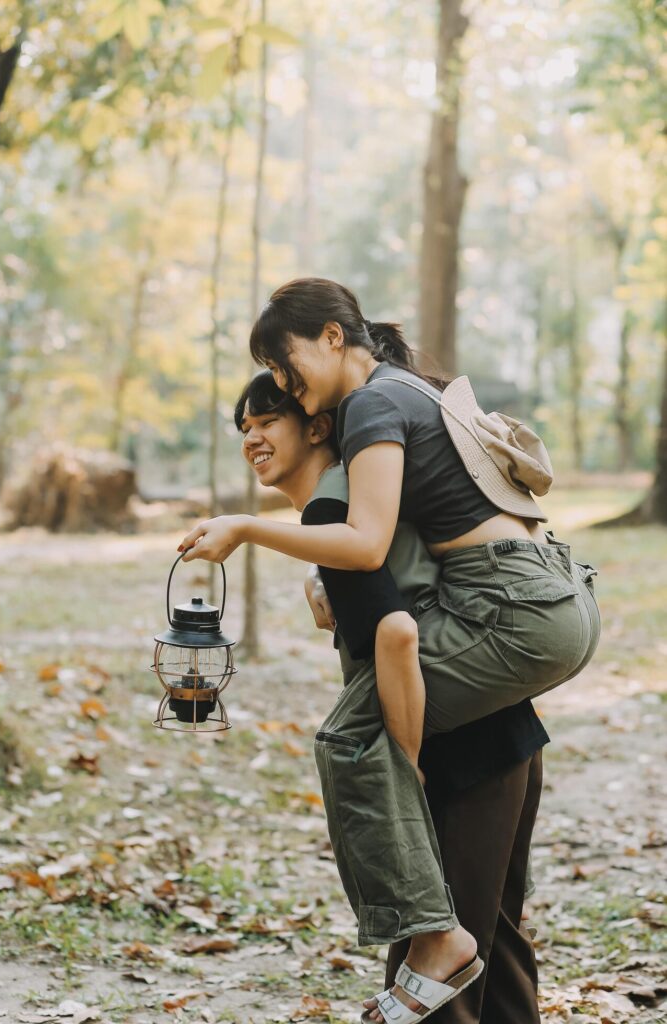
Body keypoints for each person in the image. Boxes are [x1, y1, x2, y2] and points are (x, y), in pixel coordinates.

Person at [179, 278, 601, 1023]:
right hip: (538, 626)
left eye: (278, 388)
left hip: (486, 700)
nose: (278, 401)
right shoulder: (397, 406)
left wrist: (397, 760)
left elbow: (387, 604)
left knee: (350, 742)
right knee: (495, 942)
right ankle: (440, 941)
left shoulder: (365, 428)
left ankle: (434, 938)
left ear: (334, 340)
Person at [234, 370, 548, 1023]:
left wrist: (403, 771)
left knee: (436, 968)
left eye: (267, 421)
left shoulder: (333, 511)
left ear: (317, 426)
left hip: (454, 754)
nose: (253, 438)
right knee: (493, 948)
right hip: (505, 737)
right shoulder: (357, 502)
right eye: (244, 428)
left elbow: (398, 636)